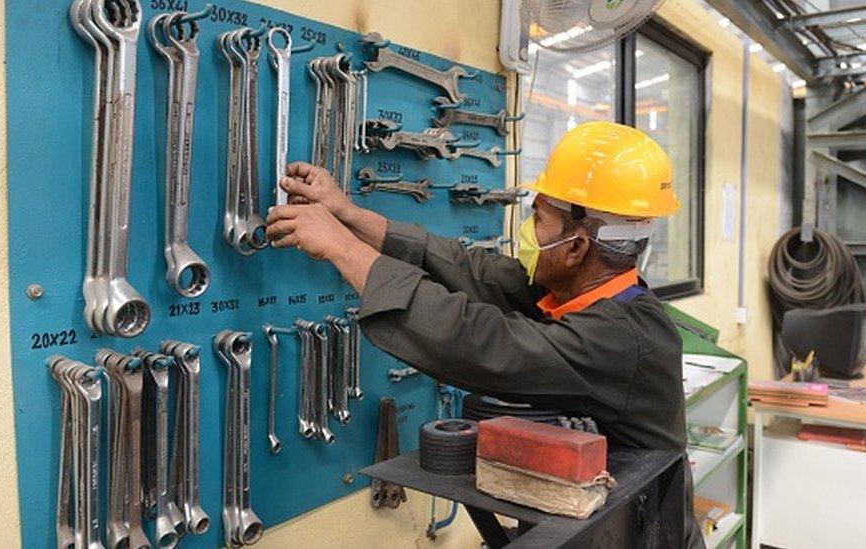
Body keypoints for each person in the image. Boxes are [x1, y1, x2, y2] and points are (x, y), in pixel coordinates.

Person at [266, 121, 703, 548]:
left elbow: (480, 342)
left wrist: (342, 249)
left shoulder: (622, 337)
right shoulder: (582, 292)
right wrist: (348, 215)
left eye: (540, 218)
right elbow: (470, 270)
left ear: (576, 247)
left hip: (640, 533)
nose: (529, 232)